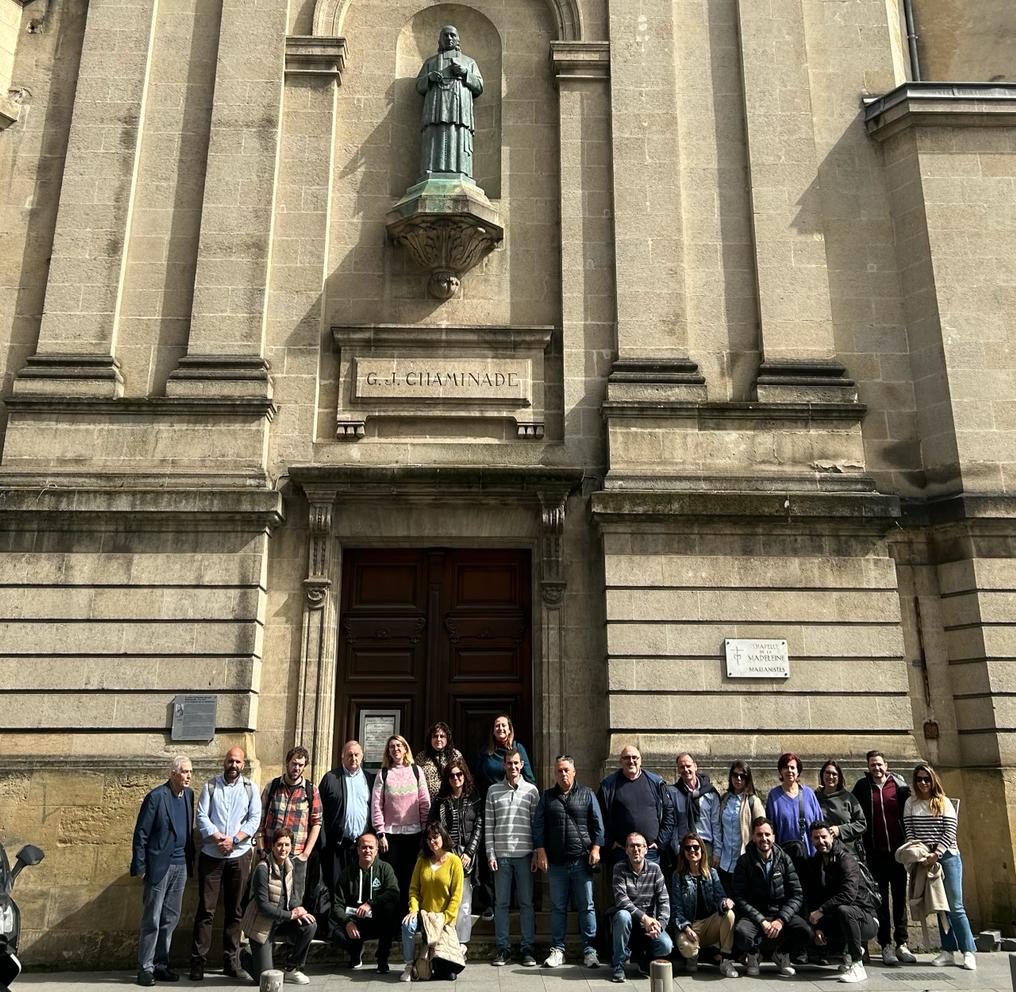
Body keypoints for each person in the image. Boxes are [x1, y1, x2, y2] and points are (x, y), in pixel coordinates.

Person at [190, 747, 261, 982]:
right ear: (224, 762)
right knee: (206, 911)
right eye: (230, 761)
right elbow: (201, 816)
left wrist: (235, 839)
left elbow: (254, 819)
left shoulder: (250, 789)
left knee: (235, 912)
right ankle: (198, 962)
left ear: (242, 765)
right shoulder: (211, 786)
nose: (234, 765)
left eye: (238, 762)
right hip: (212, 855)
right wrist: (218, 837)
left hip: (238, 856)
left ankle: (231, 962)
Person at [532, 754, 605, 968]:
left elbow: (598, 825)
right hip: (556, 863)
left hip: (581, 861)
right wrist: (541, 851)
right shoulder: (547, 797)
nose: (563, 774)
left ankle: (589, 950)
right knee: (558, 907)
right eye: (559, 770)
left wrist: (596, 848)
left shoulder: (587, 794)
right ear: (554, 773)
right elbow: (538, 827)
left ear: (574, 772)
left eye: (566, 770)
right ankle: (558, 950)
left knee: (587, 906)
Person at [903, 763, 976, 971]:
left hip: (948, 857)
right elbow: (910, 831)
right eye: (919, 779)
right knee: (939, 906)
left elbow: (950, 829)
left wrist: (937, 853)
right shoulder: (911, 803)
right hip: (925, 859)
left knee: (955, 906)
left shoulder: (943, 802)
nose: (923, 783)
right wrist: (921, 855)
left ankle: (968, 950)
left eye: (927, 779)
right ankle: (948, 950)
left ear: (933, 780)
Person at [130, 755, 195, 988]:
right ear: (173, 773)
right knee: (153, 918)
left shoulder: (188, 795)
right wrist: (140, 867)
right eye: (185, 771)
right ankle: (145, 968)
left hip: (181, 865)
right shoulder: (156, 797)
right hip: (159, 867)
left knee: (170, 918)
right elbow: (141, 834)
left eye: (190, 772)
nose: (188, 776)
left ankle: (160, 964)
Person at [851, 750, 916, 966]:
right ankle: (885, 944)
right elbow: (854, 813)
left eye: (879, 764)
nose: (876, 768)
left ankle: (902, 943)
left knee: (899, 899)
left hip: (898, 852)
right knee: (880, 901)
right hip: (875, 853)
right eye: (872, 765)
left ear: (886, 765)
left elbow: (910, 811)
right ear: (868, 767)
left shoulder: (898, 786)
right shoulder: (862, 787)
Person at [732, 816, 810, 977]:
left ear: (773, 836)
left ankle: (782, 954)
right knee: (741, 933)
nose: (764, 839)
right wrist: (761, 920)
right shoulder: (744, 861)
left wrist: (781, 919)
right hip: (755, 914)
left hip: (779, 911)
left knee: (805, 931)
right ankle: (753, 954)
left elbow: (797, 894)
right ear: (753, 837)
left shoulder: (784, 859)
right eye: (759, 835)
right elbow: (739, 897)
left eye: (767, 834)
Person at [802, 822, 879, 984]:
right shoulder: (816, 862)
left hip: (865, 919)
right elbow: (815, 896)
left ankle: (858, 965)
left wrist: (821, 911)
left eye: (824, 837)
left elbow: (848, 895)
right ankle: (849, 953)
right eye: (816, 838)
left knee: (845, 910)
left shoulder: (846, 859)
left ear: (832, 836)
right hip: (838, 917)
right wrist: (818, 927)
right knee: (808, 926)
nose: (821, 841)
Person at [371, 735, 431, 943]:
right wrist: (380, 832)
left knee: (413, 881)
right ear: (388, 752)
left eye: (399, 746)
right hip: (391, 836)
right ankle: (394, 926)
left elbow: (424, 802)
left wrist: (424, 832)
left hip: (414, 835)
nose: (396, 750)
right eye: (392, 747)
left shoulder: (416, 771)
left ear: (406, 749)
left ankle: (413, 923)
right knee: (394, 883)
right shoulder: (383, 774)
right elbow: (377, 805)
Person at [240, 827, 317, 986]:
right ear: (273, 846)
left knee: (310, 925)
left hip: (281, 921)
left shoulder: (290, 865)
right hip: (261, 926)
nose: (283, 849)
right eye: (280, 845)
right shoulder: (262, 869)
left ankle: (292, 968)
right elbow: (263, 907)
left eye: (287, 845)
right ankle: (244, 957)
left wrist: (298, 909)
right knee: (265, 978)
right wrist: (291, 915)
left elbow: (292, 896)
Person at [485, 749, 540, 967]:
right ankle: (503, 949)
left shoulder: (532, 791)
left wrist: (537, 852)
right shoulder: (493, 791)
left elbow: (536, 826)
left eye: (517, 763)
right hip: (501, 856)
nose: (513, 767)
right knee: (502, 904)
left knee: (527, 903)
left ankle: (527, 948)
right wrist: (490, 853)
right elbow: (489, 824)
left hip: (525, 856)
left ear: (522, 764)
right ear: (504, 766)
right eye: (509, 763)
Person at [415, 24, 483, 182]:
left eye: (452, 35)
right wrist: (429, 78)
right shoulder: (430, 63)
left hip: (459, 107)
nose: (449, 38)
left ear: (458, 40)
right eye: (445, 35)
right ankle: (431, 170)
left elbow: (479, 86)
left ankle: (461, 170)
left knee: (457, 133)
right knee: (434, 134)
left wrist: (465, 73)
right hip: (435, 106)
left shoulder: (469, 62)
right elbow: (419, 85)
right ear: (440, 40)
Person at [400, 824, 466, 982]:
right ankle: (409, 966)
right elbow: (414, 889)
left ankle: (457, 951)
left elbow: (456, 895)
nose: (432, 841)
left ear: (443, 837)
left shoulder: (454, 862)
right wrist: (413, 910)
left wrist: (446, 918)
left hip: (443, 918)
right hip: (424, 914)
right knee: (407, 925)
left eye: (435, 837)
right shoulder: (422, 860)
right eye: (429, 839)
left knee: (447, 972)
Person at [259, 745, 323, 907]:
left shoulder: (311, 790)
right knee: (269, 901)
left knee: (294, 901)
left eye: (301, 765)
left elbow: (317, 823)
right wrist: (261, 850)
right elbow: (259, 820)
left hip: (296, 856)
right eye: (294, 763)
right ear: (287, 763)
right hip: (271, 855)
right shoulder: (272, 787)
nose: (297, 768)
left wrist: (306, 854)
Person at [329, 831, 400, 974]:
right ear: (357, 850)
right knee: (335, 931)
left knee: (390, 909)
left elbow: (393, 892)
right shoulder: (347, 873)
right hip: (356, 921)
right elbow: (337, 905)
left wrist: (370, 903)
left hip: (377, 919)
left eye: (370, 847)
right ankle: (355, 954)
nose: (367, 850)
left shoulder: (385, 869)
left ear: (376, 850)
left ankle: (382, 959)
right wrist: (347, 922)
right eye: (363, 847)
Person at [429, 761, 483, 944]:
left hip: (467, 857)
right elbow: (435, 828)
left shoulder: (474, 798)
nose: (456, 778)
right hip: (446, 857)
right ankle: (445, 942)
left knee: (465, 904)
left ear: (465, 775)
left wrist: (469, 852)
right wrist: (447, 853)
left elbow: (478, 826)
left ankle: (462, 944)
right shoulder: (440, 801)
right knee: (445, 901)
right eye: (451, 775)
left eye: (459, 774)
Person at [669, 832, 737, 978]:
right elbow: (676, 909)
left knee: (729, 915)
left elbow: (720, 898)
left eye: (696, 847)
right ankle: (694, 956)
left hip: (709, 924)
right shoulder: (678, 877)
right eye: (688, 848)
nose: (692, 851)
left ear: (702, 850)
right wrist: (686, 928)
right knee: (688, 949)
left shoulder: (712, 873)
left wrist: (724, 903)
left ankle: (725, 959)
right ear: (684, 852)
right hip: (690, 926)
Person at [610, 832, 672, 983]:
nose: (636, 849)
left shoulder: (655, 869)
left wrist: (660, 925)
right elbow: (621, 900)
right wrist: (644, 918)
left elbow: (664, 901)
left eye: (639, 846)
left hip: (648, 926)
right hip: (628, 924)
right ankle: (618, 966)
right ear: (626, 850)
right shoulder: (619, 868)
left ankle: (644, 960)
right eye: (632, 846)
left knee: (666, 945)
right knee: (622, 915)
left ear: (646, 849)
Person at [597, 745, 674, 865]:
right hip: (621, 852)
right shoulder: (608, 786)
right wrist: (610, 842)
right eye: (627, 758)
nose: (631, 761)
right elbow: (599, 816)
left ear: (640, 760)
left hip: (651, 852)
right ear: (620, 761)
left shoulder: (656, 783)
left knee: (650, 884)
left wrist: (661, 842)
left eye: (635, 757)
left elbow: (668, 813)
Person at [318, 741, 376, 900]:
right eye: (350, 755)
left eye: (357, 755)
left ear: (362, 757)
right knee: (337, 887)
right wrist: (322, 843)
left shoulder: (370, 780)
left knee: (359, 888)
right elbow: (318, 812)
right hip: (338, 845)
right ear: (342, 756)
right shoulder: (331, 778)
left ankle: (357, 922)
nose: (353, 758)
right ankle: (337, 922)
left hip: (361, 846)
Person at [715, 761, 765, 894]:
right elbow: (719, 828)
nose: (738, 779)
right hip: (725, 861)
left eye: (742, 776)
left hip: (744, 860)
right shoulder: (725, 799)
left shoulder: (753, 801)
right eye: (735, 775)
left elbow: (762, 830)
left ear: (747, 779)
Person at [765, 752, 822, 861]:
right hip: (786, 857)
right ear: (781, 771)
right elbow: (771, 829)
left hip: (811, 855)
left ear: (798, 771)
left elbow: (819, 822)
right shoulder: (774, 796)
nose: (789, 771)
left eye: (792, 767)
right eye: (786, 767)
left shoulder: (809, 794)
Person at [668, 753, 721, 864]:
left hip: (706, 846)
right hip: (684, 847)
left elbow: (716, 824)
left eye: (688, 766)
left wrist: (717, 852)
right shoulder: (673, 793)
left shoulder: (710, 793)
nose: (686, 769)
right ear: (678, 770)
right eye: (682, 767)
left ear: (695, 766)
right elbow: (673, 824)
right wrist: (676, 849)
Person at [816, 760, 867, 859]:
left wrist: (840, 830)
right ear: (822, 775)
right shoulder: (815, 797)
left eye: (834, 774)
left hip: (847, 853)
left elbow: (862, 824)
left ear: (839, 778)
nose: (830, 777)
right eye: (827, 773)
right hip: (822, 854)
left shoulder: (848, 798)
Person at [474, 714, 535, 794]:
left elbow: (529, 777)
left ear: (509, 730)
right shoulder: (485, 751)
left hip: (515, 797)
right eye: (497, 726)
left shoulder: (518, 748)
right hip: (491, 797)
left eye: (503, 725)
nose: (500, 728)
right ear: (493, 731)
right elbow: (477, 777)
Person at [415, 723, 465, 799]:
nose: (438, 739)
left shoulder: (455, 755)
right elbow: (414, 780)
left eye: (442, 736)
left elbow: (465, 777)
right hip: (429, 803)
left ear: (447, 738)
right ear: (430, 739)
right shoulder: (421, 756)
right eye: (435, 736)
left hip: (450, 802)